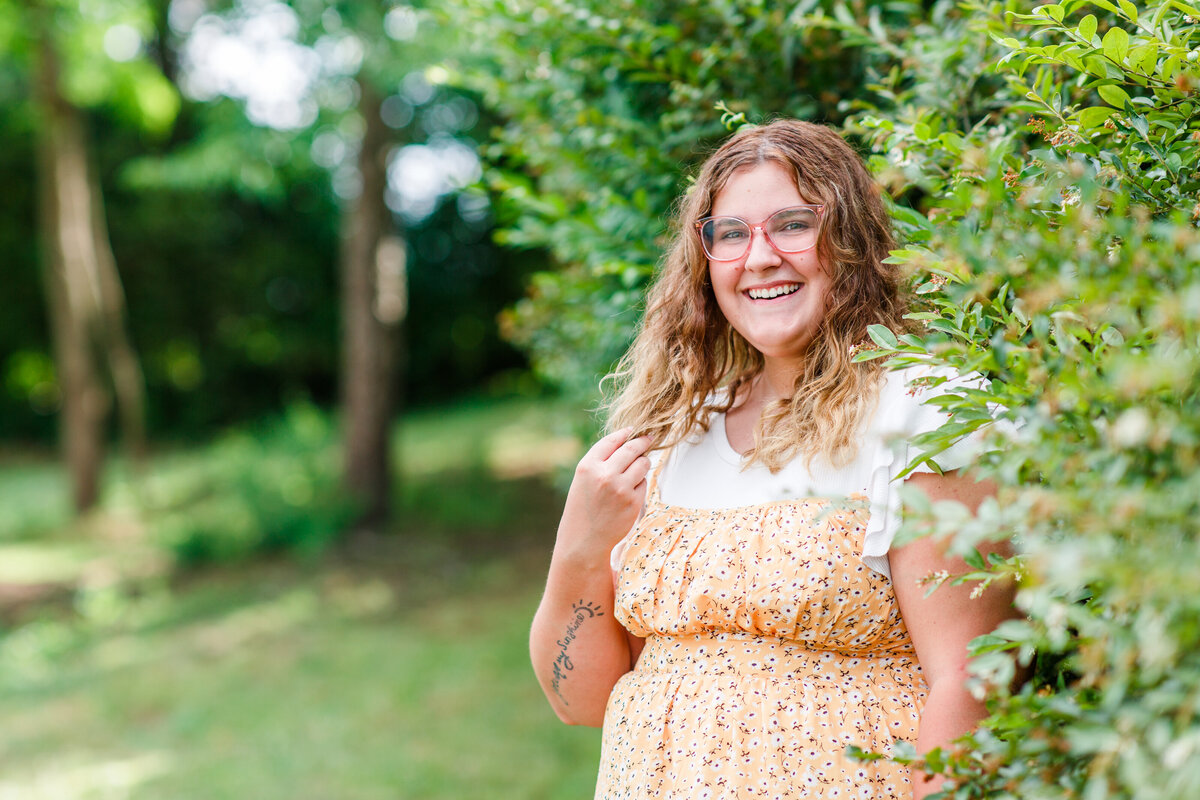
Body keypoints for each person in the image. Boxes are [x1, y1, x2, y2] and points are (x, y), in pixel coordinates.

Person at [529, 119, 1018, 799]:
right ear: (704, 261)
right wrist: (579, 548)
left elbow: (972, 677)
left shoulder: (922, 410)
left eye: (792, 224)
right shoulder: (674, 434)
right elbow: (579, 702)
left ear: (850, 239)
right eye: (731, 234)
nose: (759, 257)